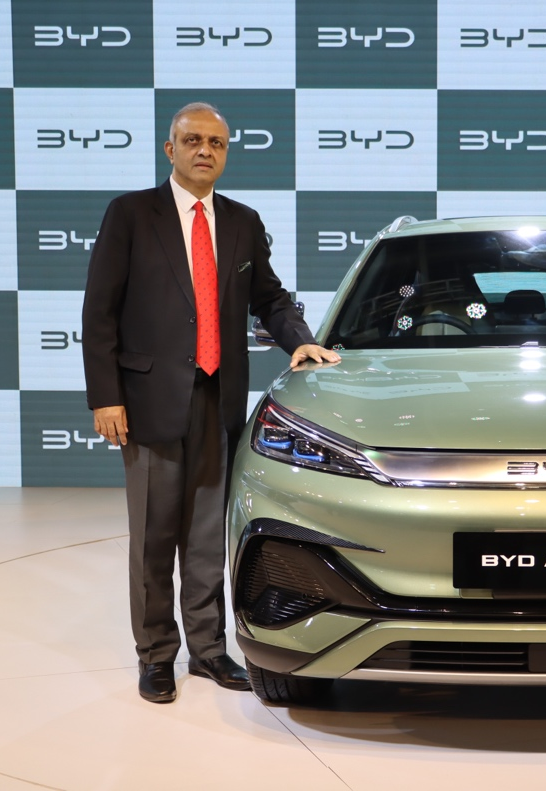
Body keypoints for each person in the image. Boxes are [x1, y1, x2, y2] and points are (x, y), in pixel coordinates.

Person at [82, 102, 340, 703]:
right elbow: (99, 312)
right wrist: (105, 397)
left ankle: (208, 650)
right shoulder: (130, 214)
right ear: (169, 149)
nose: (205, 151)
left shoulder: (243, 221)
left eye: (217, 143)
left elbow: (269, 298)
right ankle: (155, 655)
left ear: (226, 152)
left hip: (218, 399)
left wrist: (300, 341)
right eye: (193, 140)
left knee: (205, 538)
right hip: (147, 402)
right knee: (153, 539)